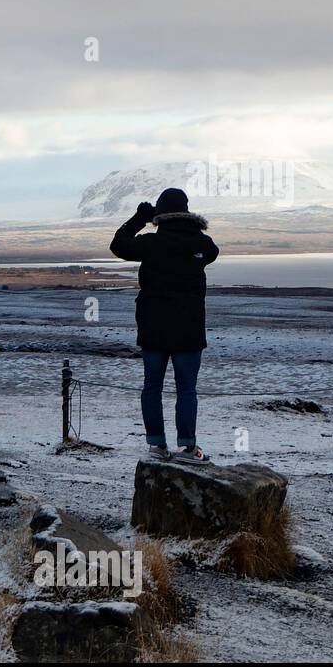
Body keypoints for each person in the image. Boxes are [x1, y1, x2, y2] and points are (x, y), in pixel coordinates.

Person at [110, 187, 219, 464]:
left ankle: (157, 446)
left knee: (152, 387)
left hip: (153, 329)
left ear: (160, 214)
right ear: (187, 212)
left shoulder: (149, 244)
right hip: (189, 331)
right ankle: (187, 448)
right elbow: (212, 251)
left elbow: (118, 245)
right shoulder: (200, 244)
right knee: (186, 390)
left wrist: (139, 219)